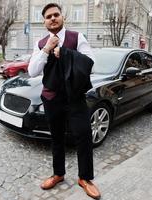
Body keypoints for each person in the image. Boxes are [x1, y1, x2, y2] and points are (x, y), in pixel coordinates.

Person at [28, 3, 101, 200]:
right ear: (44, 22)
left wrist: (67, 53)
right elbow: (33, 71)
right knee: (57, 138)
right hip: (52, 98)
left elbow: (91, 64)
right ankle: (58, 174)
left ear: (62, 17)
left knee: (84, 136)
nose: (52, 18)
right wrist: (46, 50)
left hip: (75, 97)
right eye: (48, 16)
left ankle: (85, 178)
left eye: (56, 15)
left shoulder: (76, 37)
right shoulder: (41, 43)